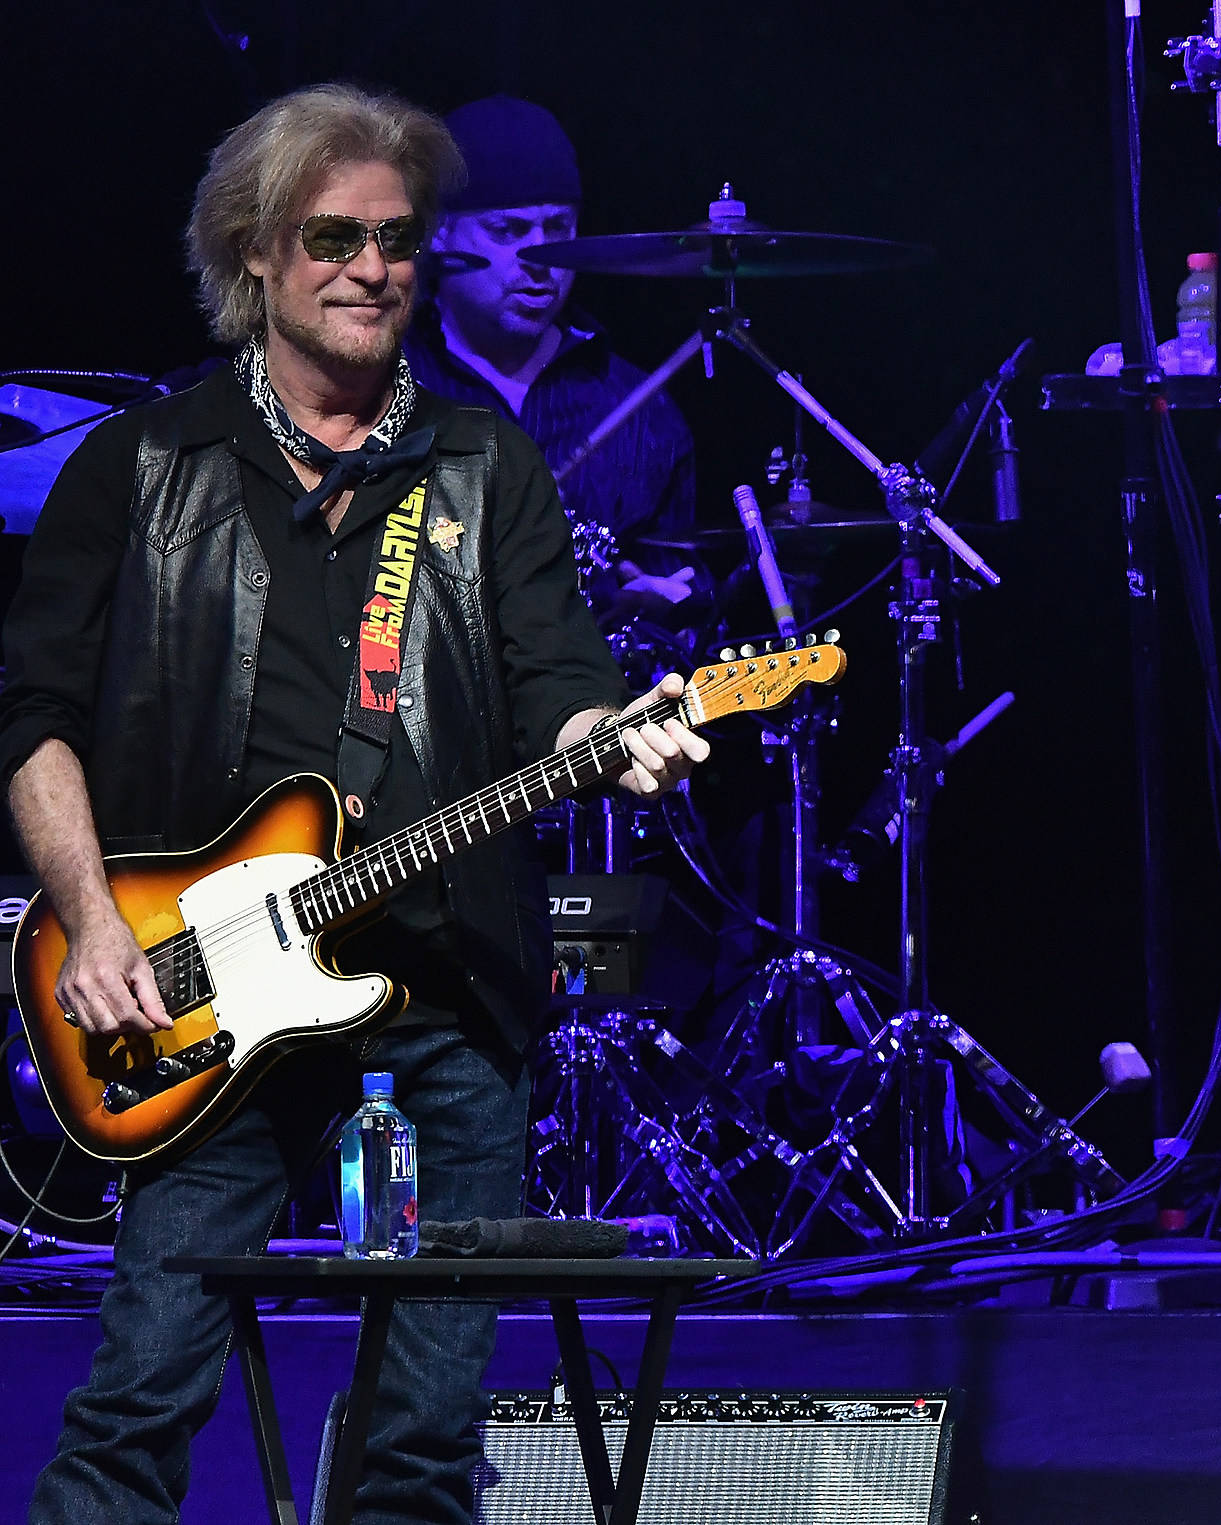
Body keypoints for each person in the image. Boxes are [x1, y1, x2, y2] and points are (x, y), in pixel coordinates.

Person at [5, 84, 710, 1523]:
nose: (371, 267)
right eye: (333, 238)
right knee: (135, 1410)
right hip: (199, 988)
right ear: (255, 252)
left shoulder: (482, 467)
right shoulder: (141, 469)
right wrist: (89, 917)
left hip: (448, 996)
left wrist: (616, 735)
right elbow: (34, 718)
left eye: (396, 239)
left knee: (423, 1450)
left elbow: (560, 683)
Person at [403, 94, 704, 627]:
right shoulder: (386, 382)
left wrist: (665, 601)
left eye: (559, 228)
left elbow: (674, 585)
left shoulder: (641, 408)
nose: (541, 259)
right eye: (509, 231)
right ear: (440, 232)